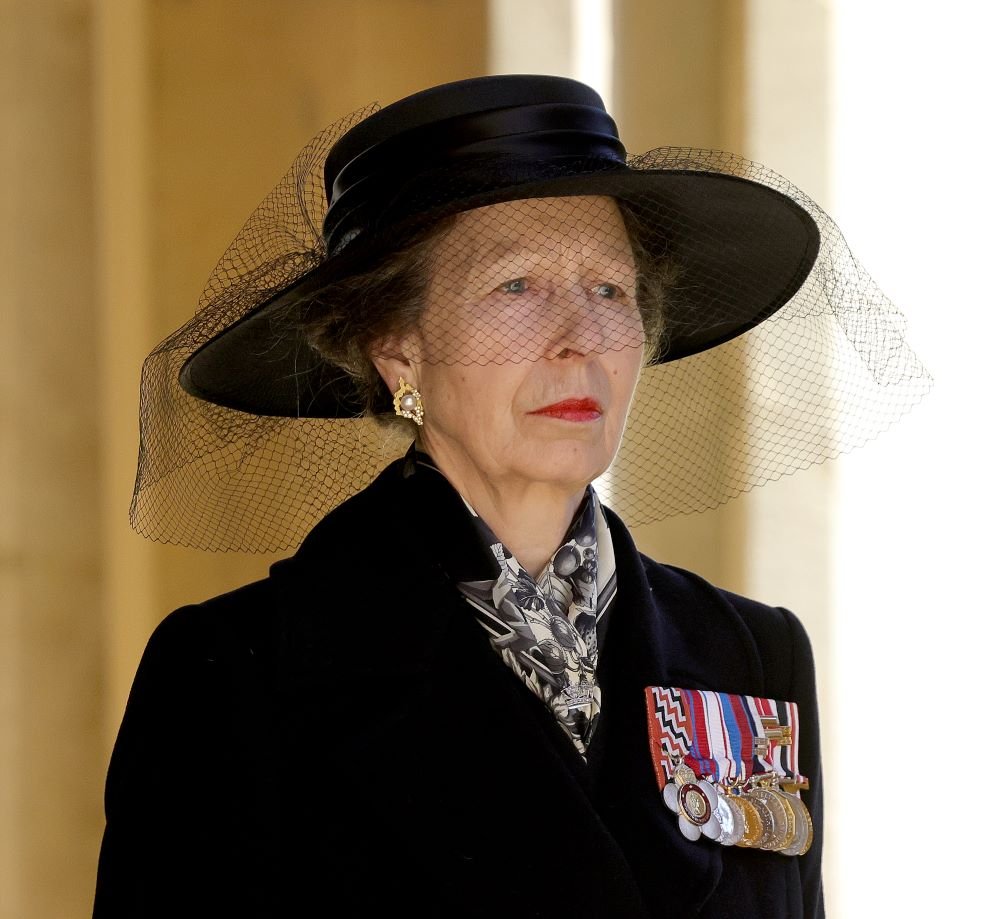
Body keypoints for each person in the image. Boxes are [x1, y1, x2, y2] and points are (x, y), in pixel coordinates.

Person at [93, 74, 930, 918]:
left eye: (610, 288)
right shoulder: (237, 674)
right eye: (515, 288)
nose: (581, 338)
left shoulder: (751, 653)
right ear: (397, 349)